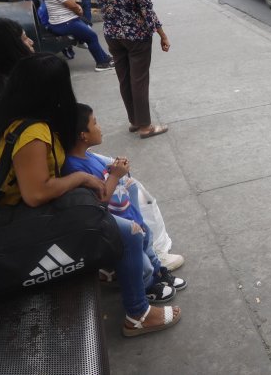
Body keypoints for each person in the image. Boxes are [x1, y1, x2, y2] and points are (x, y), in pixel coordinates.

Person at [0, 55, 181, 337]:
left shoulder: (9, 117)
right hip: (22, 220)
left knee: (122, 212)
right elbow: (36, 194)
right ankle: (138, 314)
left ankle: (117, 270)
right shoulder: (32, 132)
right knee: (132, 232)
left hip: (17, 213)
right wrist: (82, 177)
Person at [64, 103, 187, 303]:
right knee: (141, 262)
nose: (100, 127)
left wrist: (116, 170)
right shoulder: (73, 167)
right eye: (95, 123)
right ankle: (147, 285)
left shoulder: (89, 156)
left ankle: (158, 272)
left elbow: (107, 179)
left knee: (147, 242)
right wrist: (115, 175)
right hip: (117, 225)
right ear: (82, 135)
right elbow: (98, 201)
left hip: (128, 214)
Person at [87, 0, 170, 138]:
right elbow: (147, 11)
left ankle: (134, 121)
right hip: (136, 37)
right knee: (139, 80)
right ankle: (145, 127)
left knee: (124, 79)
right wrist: (163, 35)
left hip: (112, 36)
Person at [38, 0, 114, 71]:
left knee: (89, 33)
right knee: (91, 37)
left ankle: (105, 58)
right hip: (65, 23)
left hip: (59, 22)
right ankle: (101, 63)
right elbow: (72, 5)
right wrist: (79, 10)